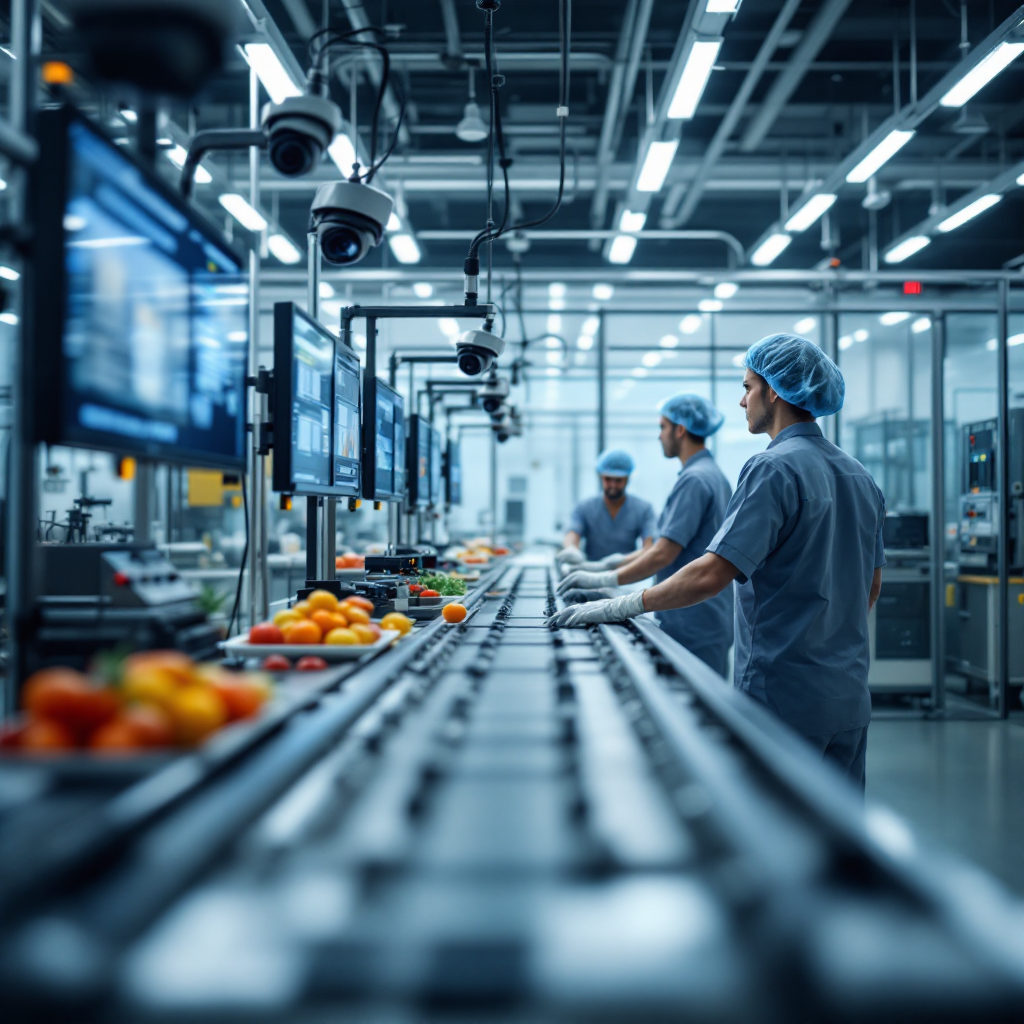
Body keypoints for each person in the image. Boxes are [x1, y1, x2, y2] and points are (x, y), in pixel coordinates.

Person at [549, 334, 886, 790]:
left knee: (775, 821)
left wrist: (617, 605)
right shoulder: (860, 476)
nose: (742, 400)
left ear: (774, 391)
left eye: (748, 387)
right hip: (847, 695)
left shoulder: (772, 468)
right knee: (838, 827)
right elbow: (870, 586)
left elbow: (711, 573)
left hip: (784, 694)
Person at [558, 394, 733, 676]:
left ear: (680, 429)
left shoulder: (695, 479)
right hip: (701, 615)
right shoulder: (710, 474)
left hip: (693, 618)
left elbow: (662, 553)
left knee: (696, 698)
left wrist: (606, 585)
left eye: (662, 427)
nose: (659, 435)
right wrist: (602, 567)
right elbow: (661, 549)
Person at [557, 448, 656, 566]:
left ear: (628, 478)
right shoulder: (585, 507)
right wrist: (571, 549)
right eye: (608, 479)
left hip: (628, 574)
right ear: (600, 476)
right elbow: (572, 533)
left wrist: (622, 561)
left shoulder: (644, 509)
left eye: (618, 480)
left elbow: (650, 547)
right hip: (590, 573)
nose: (613, 485)